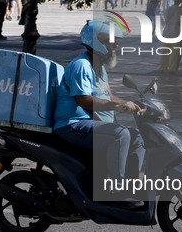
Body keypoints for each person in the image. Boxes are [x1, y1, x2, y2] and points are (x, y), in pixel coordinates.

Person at [53, 19, 145, 208]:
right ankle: (116, 190)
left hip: (87, 122)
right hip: (71, 124)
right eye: (112, 41)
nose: (116, 45)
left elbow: (109, 96)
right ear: (98, 41)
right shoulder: (82, 66)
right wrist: (116, 107)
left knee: (137, 137)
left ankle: (131, 185)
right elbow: (84, 100)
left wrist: (133, 103)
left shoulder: (99, 67)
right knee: (120, 134)